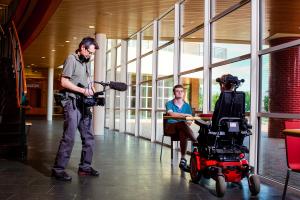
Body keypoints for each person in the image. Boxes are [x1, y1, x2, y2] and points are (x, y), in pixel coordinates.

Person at [51, 37, 99, 181]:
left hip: (83, 104)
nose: (90, 56)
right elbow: (64, 82)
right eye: (89, 53)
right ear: (83, 48)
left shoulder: (86, 63)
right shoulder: (71, 59)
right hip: (72, 103)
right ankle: (58, 169)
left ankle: (85, 167)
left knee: (89, 137)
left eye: (92, 54)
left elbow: (86, 82)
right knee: (69, 137)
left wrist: (91, 90)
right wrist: (82, 91)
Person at [165, 84, 198, 171]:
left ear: (183, 93)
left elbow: (189, 121)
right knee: (182, 124)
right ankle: (196, 141)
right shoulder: (169, 103)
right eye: (177, 91)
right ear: (174, 93)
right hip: (170, 127)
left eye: (181, 91)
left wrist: (188, 119)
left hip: (182, 128)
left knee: (183, 130)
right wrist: (185, 115)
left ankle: (183, 159)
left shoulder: (187, 106)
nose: (179, 93)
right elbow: (171, 114)